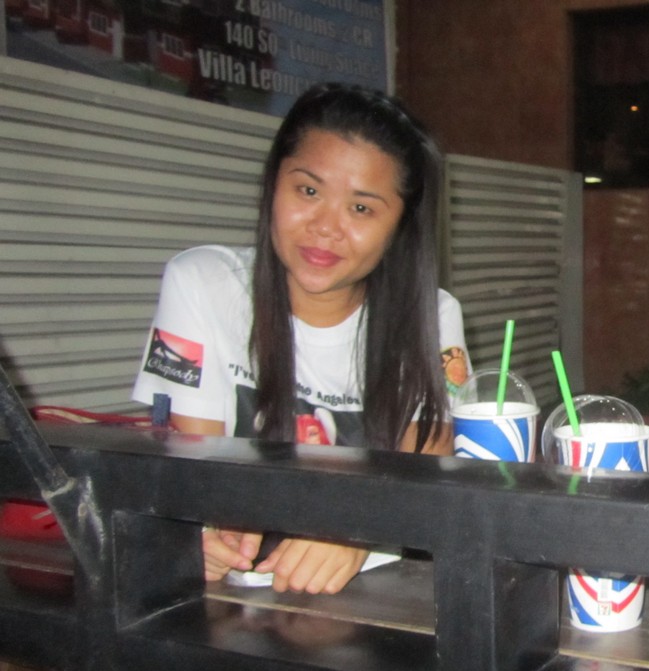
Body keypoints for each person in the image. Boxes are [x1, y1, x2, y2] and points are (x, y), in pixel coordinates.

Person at [132, 83, 471, 593]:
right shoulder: (201, 282)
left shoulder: (431, 316)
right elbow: (191, 465)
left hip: (371, 594)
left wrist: (358, 526)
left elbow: (430, 460)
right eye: (308, 191)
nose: (325, 227)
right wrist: (193, 532)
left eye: (361, 209)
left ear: (399, 227)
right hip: (234, 595)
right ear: (273, 184)